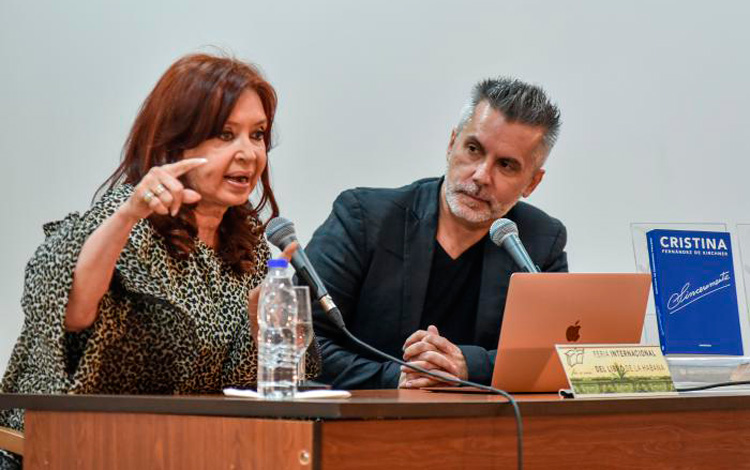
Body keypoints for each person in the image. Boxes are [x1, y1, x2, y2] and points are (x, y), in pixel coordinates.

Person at [0, 53, 318, 470]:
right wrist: (129, 215)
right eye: (225, 135)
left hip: (180, 452)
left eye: (257, 135)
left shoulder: (249, 247)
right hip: (65, 450)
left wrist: (265, 330)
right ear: (175, 145)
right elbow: (70, 311)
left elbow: (242, 390)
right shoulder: (124, 218)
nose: (248, 153)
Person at [306, 78, 567, 390]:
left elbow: (552, 355)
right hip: (363, 425)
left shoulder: (540, 240)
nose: (481, 176)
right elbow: (302, 340)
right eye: (473, 149)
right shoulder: (363, 219)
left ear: (532, 183)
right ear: (451, 143)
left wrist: (468, 365)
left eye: (507, 165)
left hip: (487, 432)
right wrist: (397, 376)